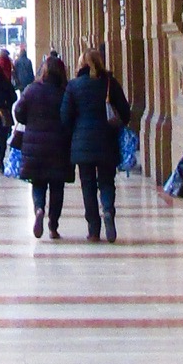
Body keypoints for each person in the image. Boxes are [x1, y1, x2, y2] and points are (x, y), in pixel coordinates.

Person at [61, 43, 131, 242]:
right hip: (107, 140)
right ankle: (108, 210)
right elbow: (125, 112)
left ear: (81, 64)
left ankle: (93, 228)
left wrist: (74, 132)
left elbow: (65, 117)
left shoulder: (73, 86)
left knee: (88, 185)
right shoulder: (110, 83)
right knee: (107, 181)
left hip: (82, 144)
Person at [15, 50, 72, 238]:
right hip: (59, 146)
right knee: (57, 187)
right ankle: (53, 225)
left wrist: (30, 120)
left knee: (38, 183)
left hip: (35, 146)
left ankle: (39, 209)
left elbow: (19, 112)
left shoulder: (32, 90)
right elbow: (71, 118)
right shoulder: (65, 92)